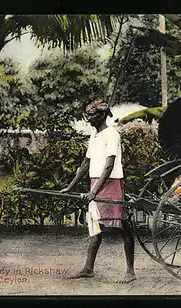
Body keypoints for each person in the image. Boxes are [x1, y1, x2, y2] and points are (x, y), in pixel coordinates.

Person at [60, 98, 136, 284]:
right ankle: (88, 268)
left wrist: (94, 191)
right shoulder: (94, 135)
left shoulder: (112, 134)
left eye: (92, 115)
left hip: (111, 182)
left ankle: (130, 271)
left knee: (122, 225)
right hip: (97, 182)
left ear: (102, 115)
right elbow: (85, 164)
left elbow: (109, 165)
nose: (89, 119)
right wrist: (69, 187)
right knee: (95, 225)